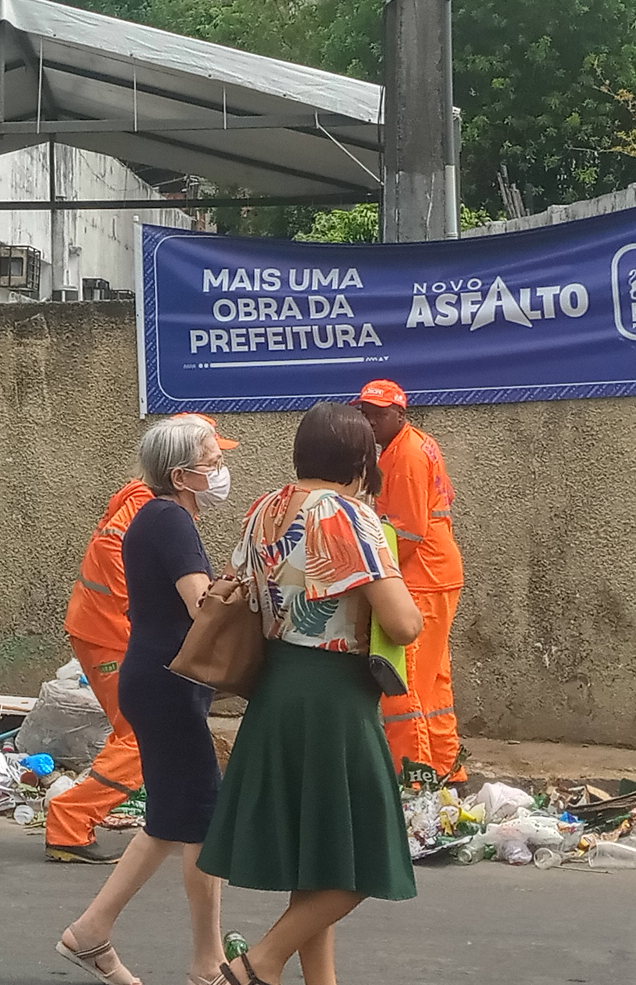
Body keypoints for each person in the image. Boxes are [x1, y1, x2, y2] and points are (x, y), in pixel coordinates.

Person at [202, 402, 424, 985]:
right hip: (335, 697)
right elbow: (401, 624)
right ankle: (257, 965)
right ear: (361, 459)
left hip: (275, 690)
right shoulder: (350, 516)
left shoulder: (264, 509)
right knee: (366, 860)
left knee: (318, 854)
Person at [56, 414, 232, 985]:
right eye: (212, 460)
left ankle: (90, 933)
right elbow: (199, 607)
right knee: (203, 821)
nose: (221, 468)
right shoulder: (170, 519)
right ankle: (208, 966)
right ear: (182, 474)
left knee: (171, 820)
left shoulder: (158, 515)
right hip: (167, 685)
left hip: (156, 680)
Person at [355, 379, 464, 785]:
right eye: (365, 413)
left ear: (400, 414)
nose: (370, 421)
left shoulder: (406, 455)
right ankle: (446, 771)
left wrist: (378, 578)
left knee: (403, 685)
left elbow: (408, 532)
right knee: (433, 684)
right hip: (434, 573)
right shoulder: (412, 445)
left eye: (378, 414)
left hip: (422, 576)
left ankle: (412, 780)